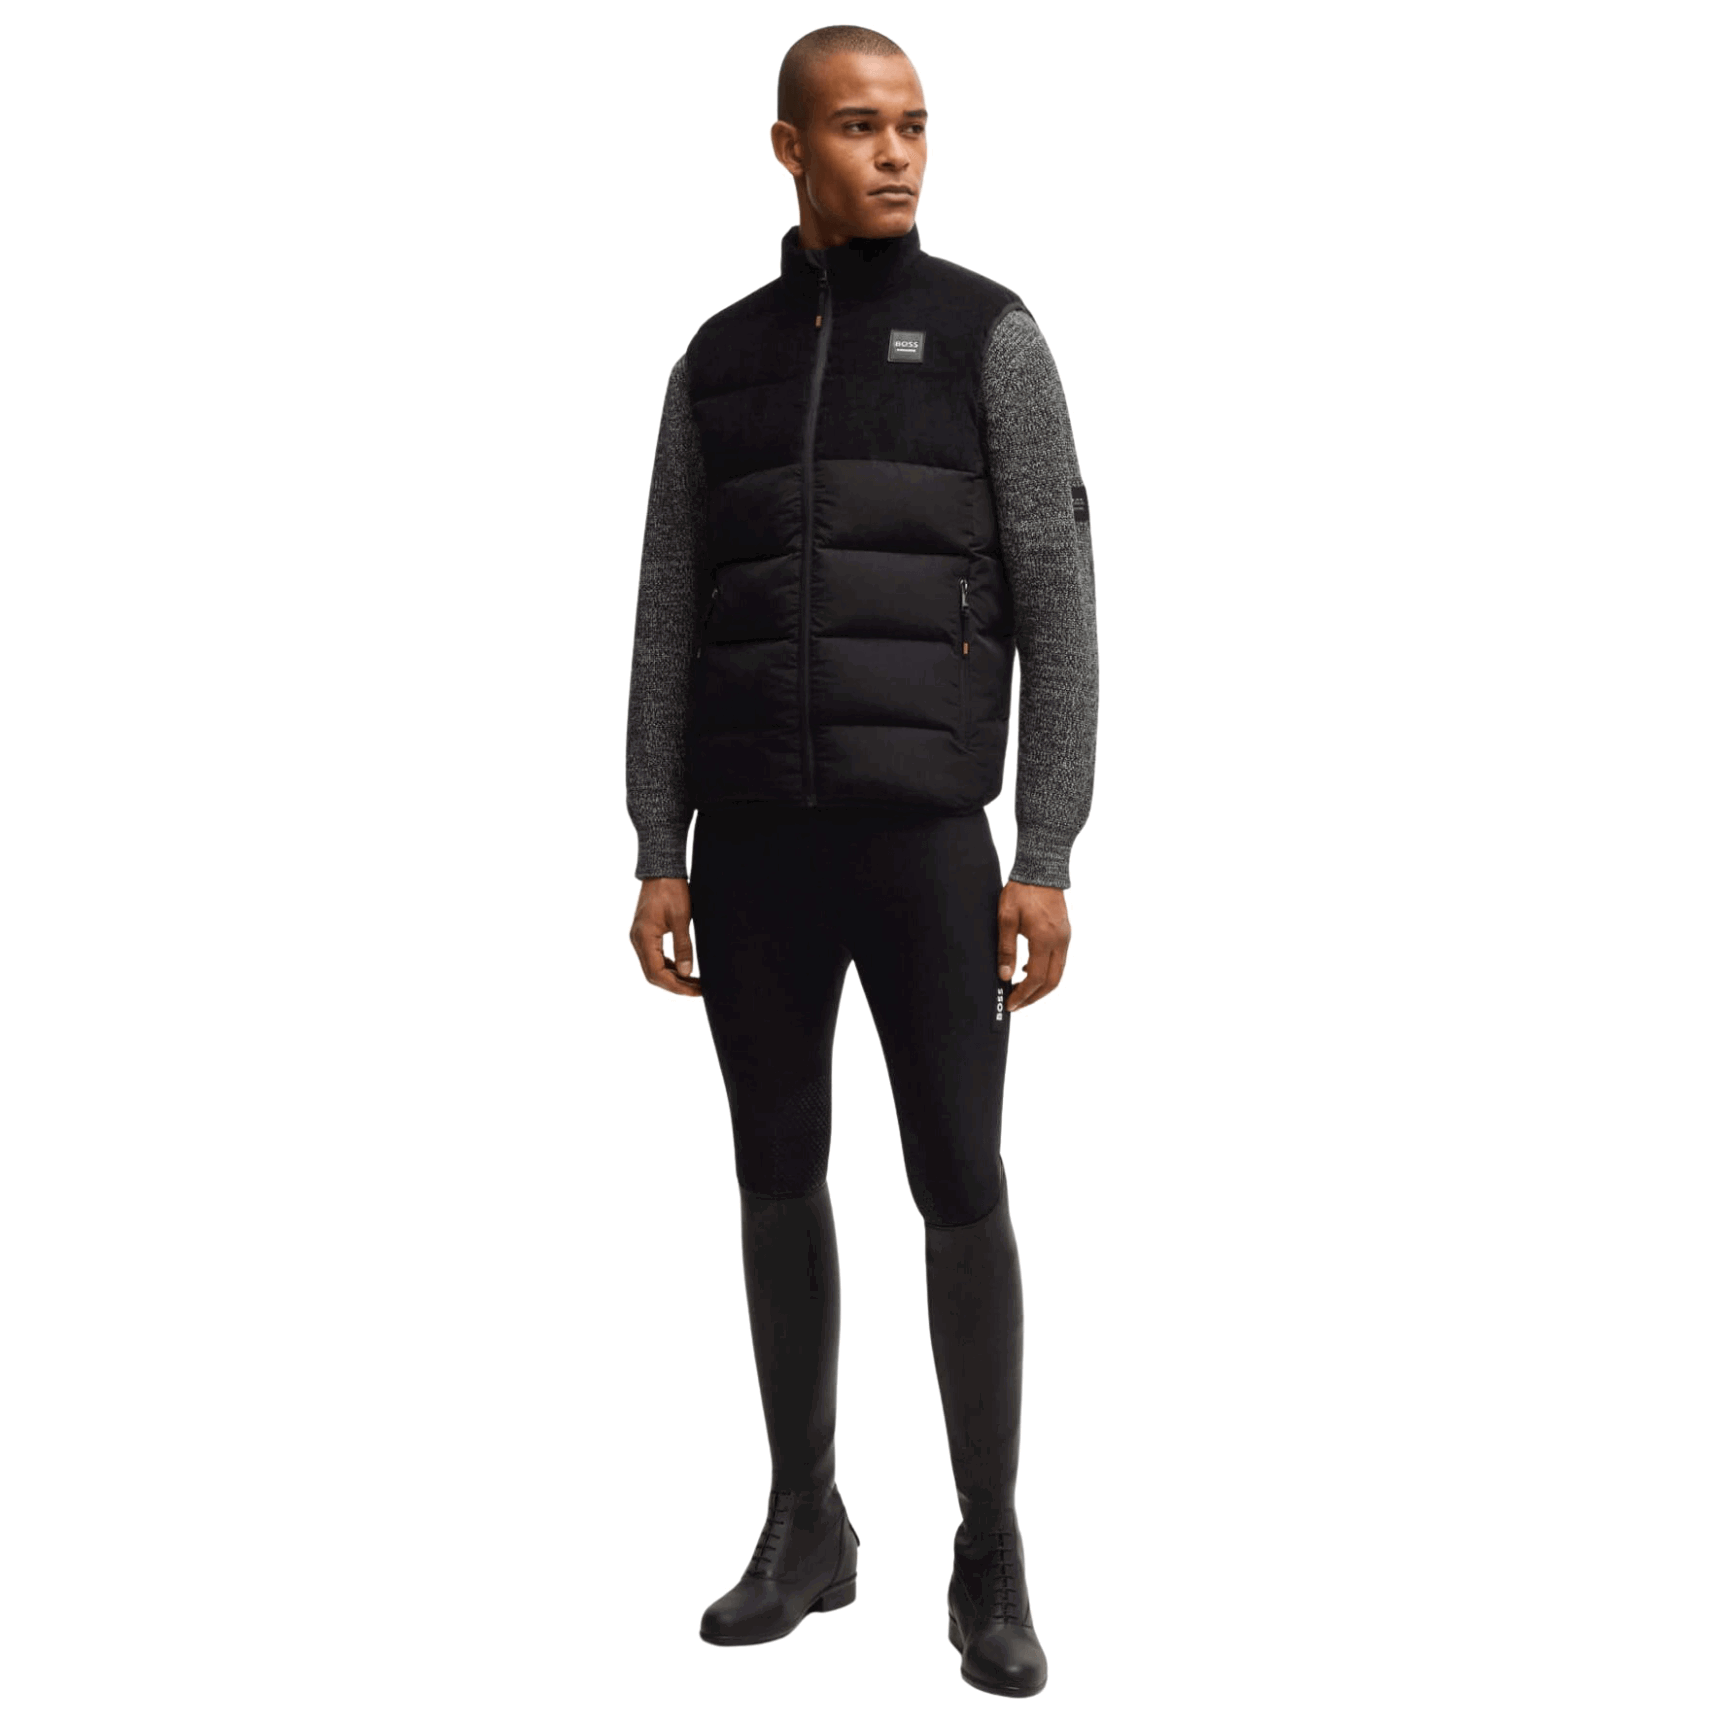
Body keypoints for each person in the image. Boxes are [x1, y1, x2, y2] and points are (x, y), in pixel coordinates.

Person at [623, 24, 1099, 1700]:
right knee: (775, 1174)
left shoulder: (988, 338)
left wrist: (1045, 850)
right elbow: (668, 610)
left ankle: (991, 1550)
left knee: (960, 1183)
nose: (894, 153)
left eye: (912, 125)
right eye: (856, 126)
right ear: (789, 148)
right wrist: (656, 840)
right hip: (753, 846)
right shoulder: (719, 362)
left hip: (926, 848)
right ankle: (805, 1523)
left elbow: (1060, 605)